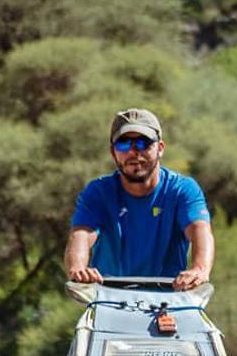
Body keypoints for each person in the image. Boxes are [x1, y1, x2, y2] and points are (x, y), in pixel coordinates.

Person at [64, 108, 213, 291]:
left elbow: (200, 230)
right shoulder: (98, 192)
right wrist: (78, 268)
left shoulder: (182, 189)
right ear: (113, 152)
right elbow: (81, 235)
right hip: (108, 301)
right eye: (124, 144)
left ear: (160, 148)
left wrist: (199, 269)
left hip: (170, 301)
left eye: (143, 143)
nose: (134, 152)